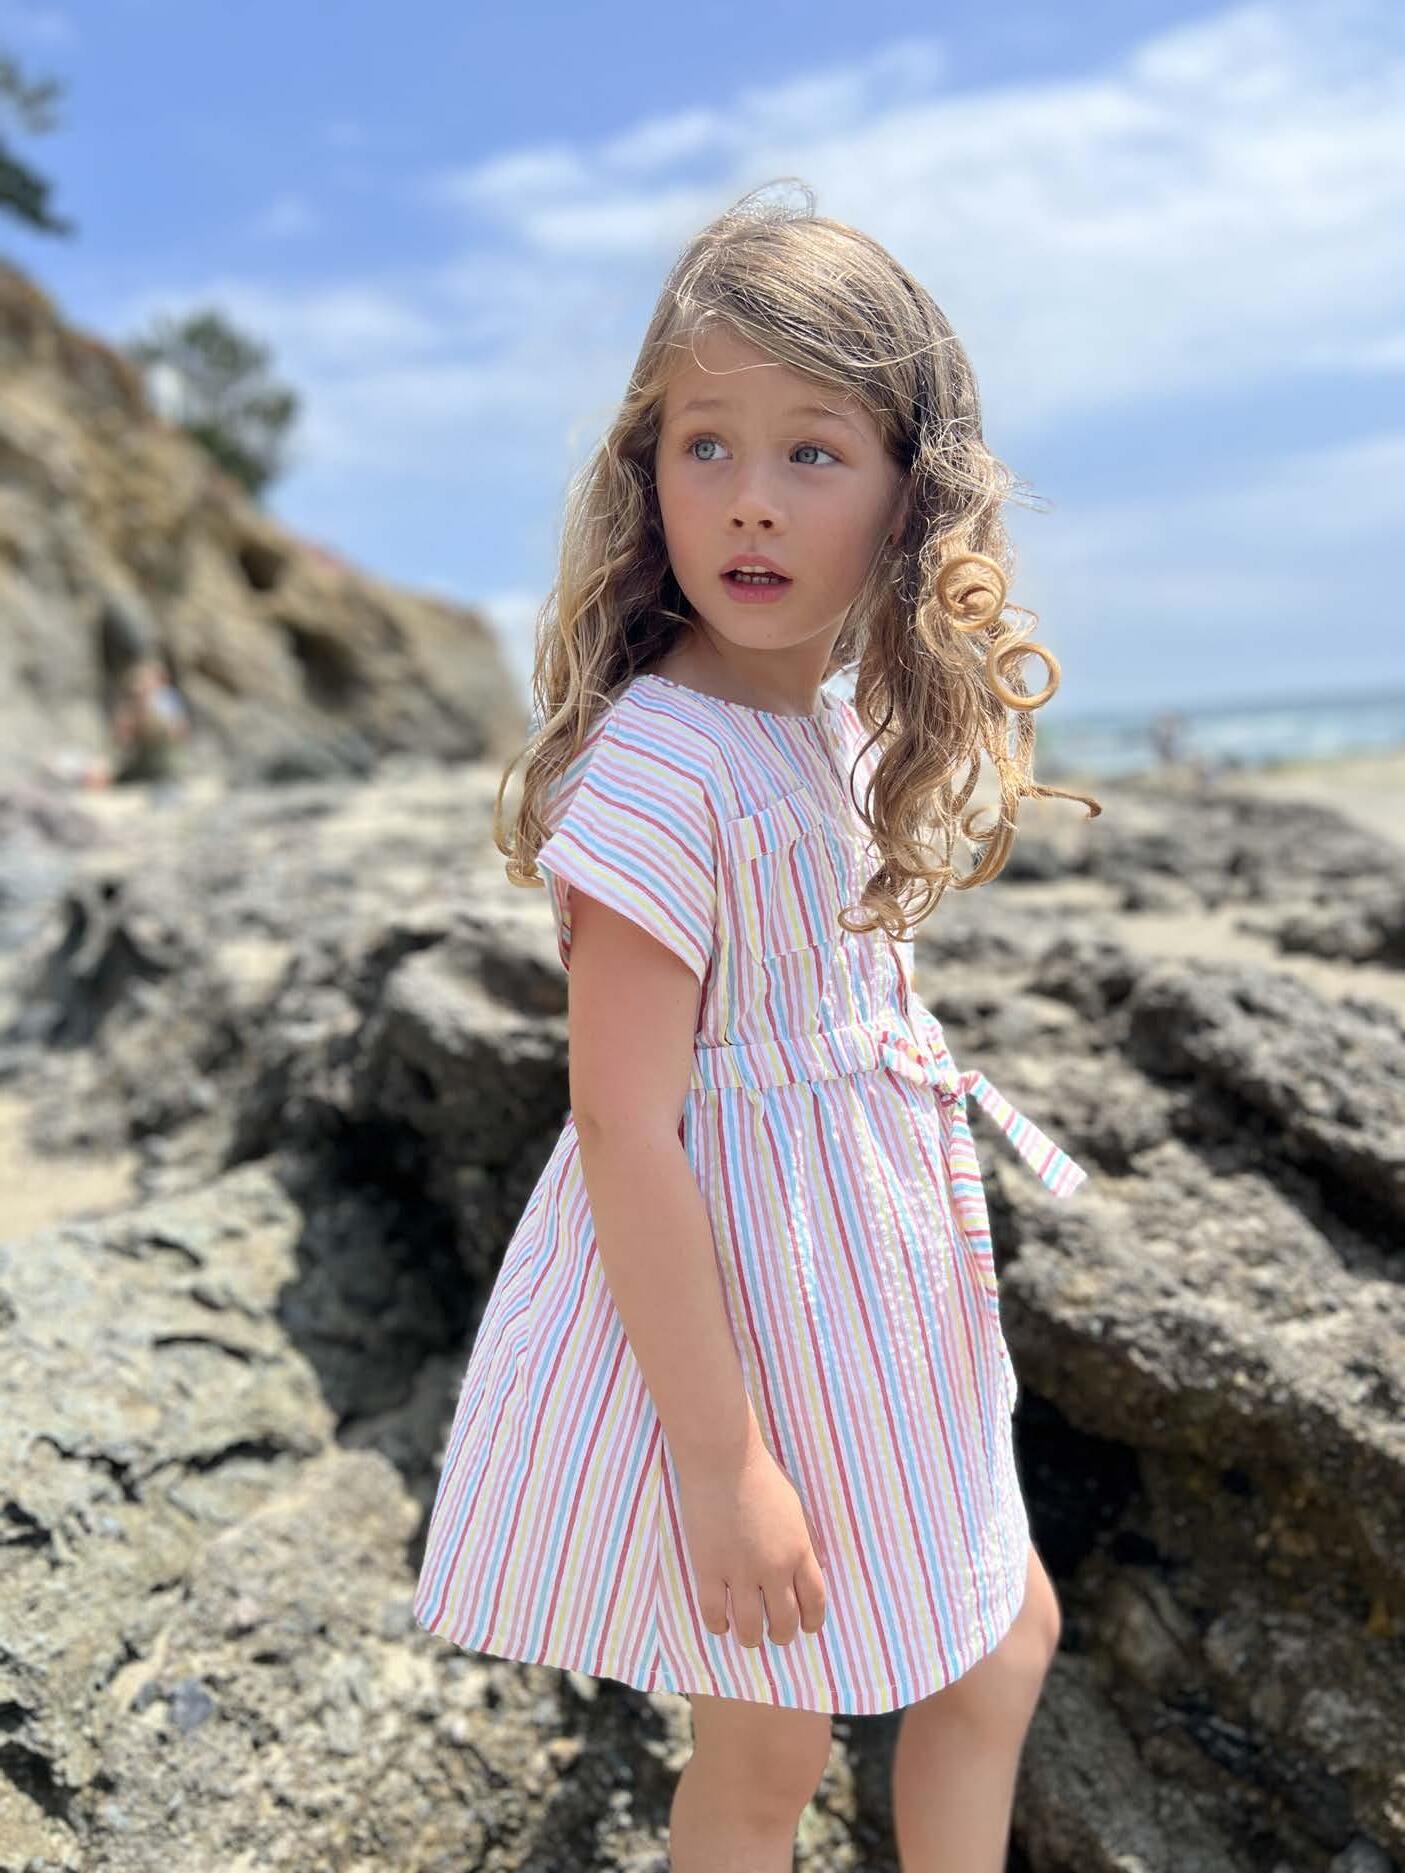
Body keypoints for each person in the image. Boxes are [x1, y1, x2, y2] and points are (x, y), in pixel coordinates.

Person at [413, 180, 1103, 1872]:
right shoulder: (664, 767)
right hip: (747, 1325)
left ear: (909, 493)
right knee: (768, 1731)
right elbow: (620, 1123)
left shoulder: (837, 727)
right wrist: (722, 1467)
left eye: (812, 450)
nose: (748, 496)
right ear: (646, 472)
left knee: (1001, 1634)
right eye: (704, 443)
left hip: (875, 1295)